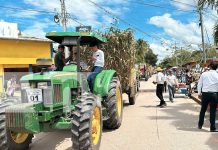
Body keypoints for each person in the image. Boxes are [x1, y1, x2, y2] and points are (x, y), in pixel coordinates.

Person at [197, 61, 218, 132]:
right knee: (213, 111)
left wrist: (199, 93)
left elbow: (199, 84)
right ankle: (212, 128)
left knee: (203, 110)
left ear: (210, 67)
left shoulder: (204, 74)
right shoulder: (217, 75)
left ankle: (200, 124)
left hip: (205, 94)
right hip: (214, 94)